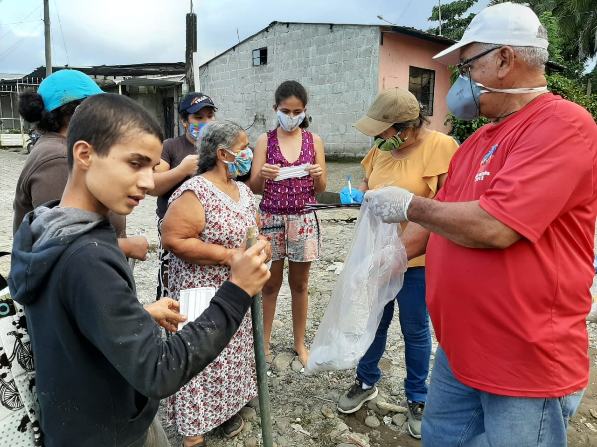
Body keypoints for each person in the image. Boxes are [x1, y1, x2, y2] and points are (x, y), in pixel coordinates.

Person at [364, 4, 597, 446]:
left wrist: (411, 205)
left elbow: (495, 227)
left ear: (505, 59)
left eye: (468, 66)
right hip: (459, 352)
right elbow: (442, 214)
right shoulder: (478, 140)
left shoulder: (562, 125)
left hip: (522, 361)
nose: (461, 81)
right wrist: (390, 257)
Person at [9, 93, 271, 447]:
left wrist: (138, 314)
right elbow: (159, 371)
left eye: (152, 167)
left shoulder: (49, 229)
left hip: (83, 420)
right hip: (110, 433)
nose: (149, 183)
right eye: (136, 164)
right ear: (84, 154)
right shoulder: (87, 257)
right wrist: (237, 290)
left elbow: (71, 320)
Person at [337, 88, 458, 439]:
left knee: (415, 329)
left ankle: (418, 397)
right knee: (375, 320)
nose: (378, 137)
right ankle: (366, 380)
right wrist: (359, 194)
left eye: (383, 130)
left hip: (417, 260)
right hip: (376, 254)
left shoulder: (442, 148)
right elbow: (368, 181)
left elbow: (448, 205)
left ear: (406, 127)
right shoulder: (381, 149)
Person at [161, 120, 270, 447]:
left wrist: (261, 246)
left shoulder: (244, 191)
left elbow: (254, 231)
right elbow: (174, 239)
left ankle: (223, 411)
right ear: (223, 154)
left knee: (230, 354)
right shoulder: (195, 192)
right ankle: (193, 433)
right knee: (197, 354)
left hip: (237, 292)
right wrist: (229, 256)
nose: (249, 153)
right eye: (244, 147)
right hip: (202, 293)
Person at [14, 69, 148, 260]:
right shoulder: (58, 158)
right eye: (99, 108)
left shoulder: (68, 149)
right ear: (75, 112)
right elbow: (59, 243)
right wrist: (128, 247)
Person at [250, 80, 326, 366]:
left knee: (300, 284)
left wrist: (317, 174)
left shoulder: (313, 141)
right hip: (271, 218)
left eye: (297, 112)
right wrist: (264, 174)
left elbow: (320, 188)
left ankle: (299, 343)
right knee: (270, 284)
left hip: (304, 218)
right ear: (275, 109)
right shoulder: (265, 140)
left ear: (304, 111)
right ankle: (263, 343)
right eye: (285, 111)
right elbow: (255, 187)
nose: (291, 117)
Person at [149, 92, 217, 300]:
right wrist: (181, 170)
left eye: (210, 116)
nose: (206, 122)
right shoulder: (170, 146)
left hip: (212, 223)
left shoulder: (221, 148)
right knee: (173, 274)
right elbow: (153, 186)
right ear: (184, 121)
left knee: (209, 274)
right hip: (174, 225)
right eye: (198, 117)